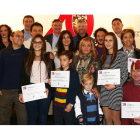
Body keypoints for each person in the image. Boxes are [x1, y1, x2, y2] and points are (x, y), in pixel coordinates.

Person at [19, 34, 53, 125]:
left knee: (43, 117)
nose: (37, 44)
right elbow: (22, 76)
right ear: (32, 44)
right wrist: (21, 92)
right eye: (35, 42)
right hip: (30, 89)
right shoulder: (26, 59)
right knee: (32, 117)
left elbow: (52, 77)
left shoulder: (48, 59)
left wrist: (49, 88)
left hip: (44, 89)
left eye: (39, 42)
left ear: (43, 44)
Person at [0, 31, 28, 125]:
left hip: (21, 91)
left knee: (23, 119)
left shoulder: (27, 53)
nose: (21, 38)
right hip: (5, 90)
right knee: (3, 118)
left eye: (22, 36)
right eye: (18, 36)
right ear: (11, 38)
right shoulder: (3, 52)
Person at [100, 32, 128, 125]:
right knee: (107, 119)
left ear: (115, 42)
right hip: (104, 90)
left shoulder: (121, 55)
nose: (108, 42)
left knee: (115, 118)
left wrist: (115, 85)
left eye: (110, 40)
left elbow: (125, 74)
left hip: (116, 90)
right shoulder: (102, 58)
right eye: (106, 40)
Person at [49, 50, 80, 125]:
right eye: (60, 60)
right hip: (57, 104)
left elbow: (76, 90)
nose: (62, 62)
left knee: (69, 123)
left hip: (67, 105)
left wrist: (71, 103)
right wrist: (51, 83)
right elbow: (54, 89)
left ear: (70, 61)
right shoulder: (57, 72)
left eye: (64, 60)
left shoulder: (74, 74)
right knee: (57, 123)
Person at [121, 60, 140, 125]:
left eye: (138, 71)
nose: (136, 73)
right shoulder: (125, 87)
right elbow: (124, 111)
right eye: (133, 71)